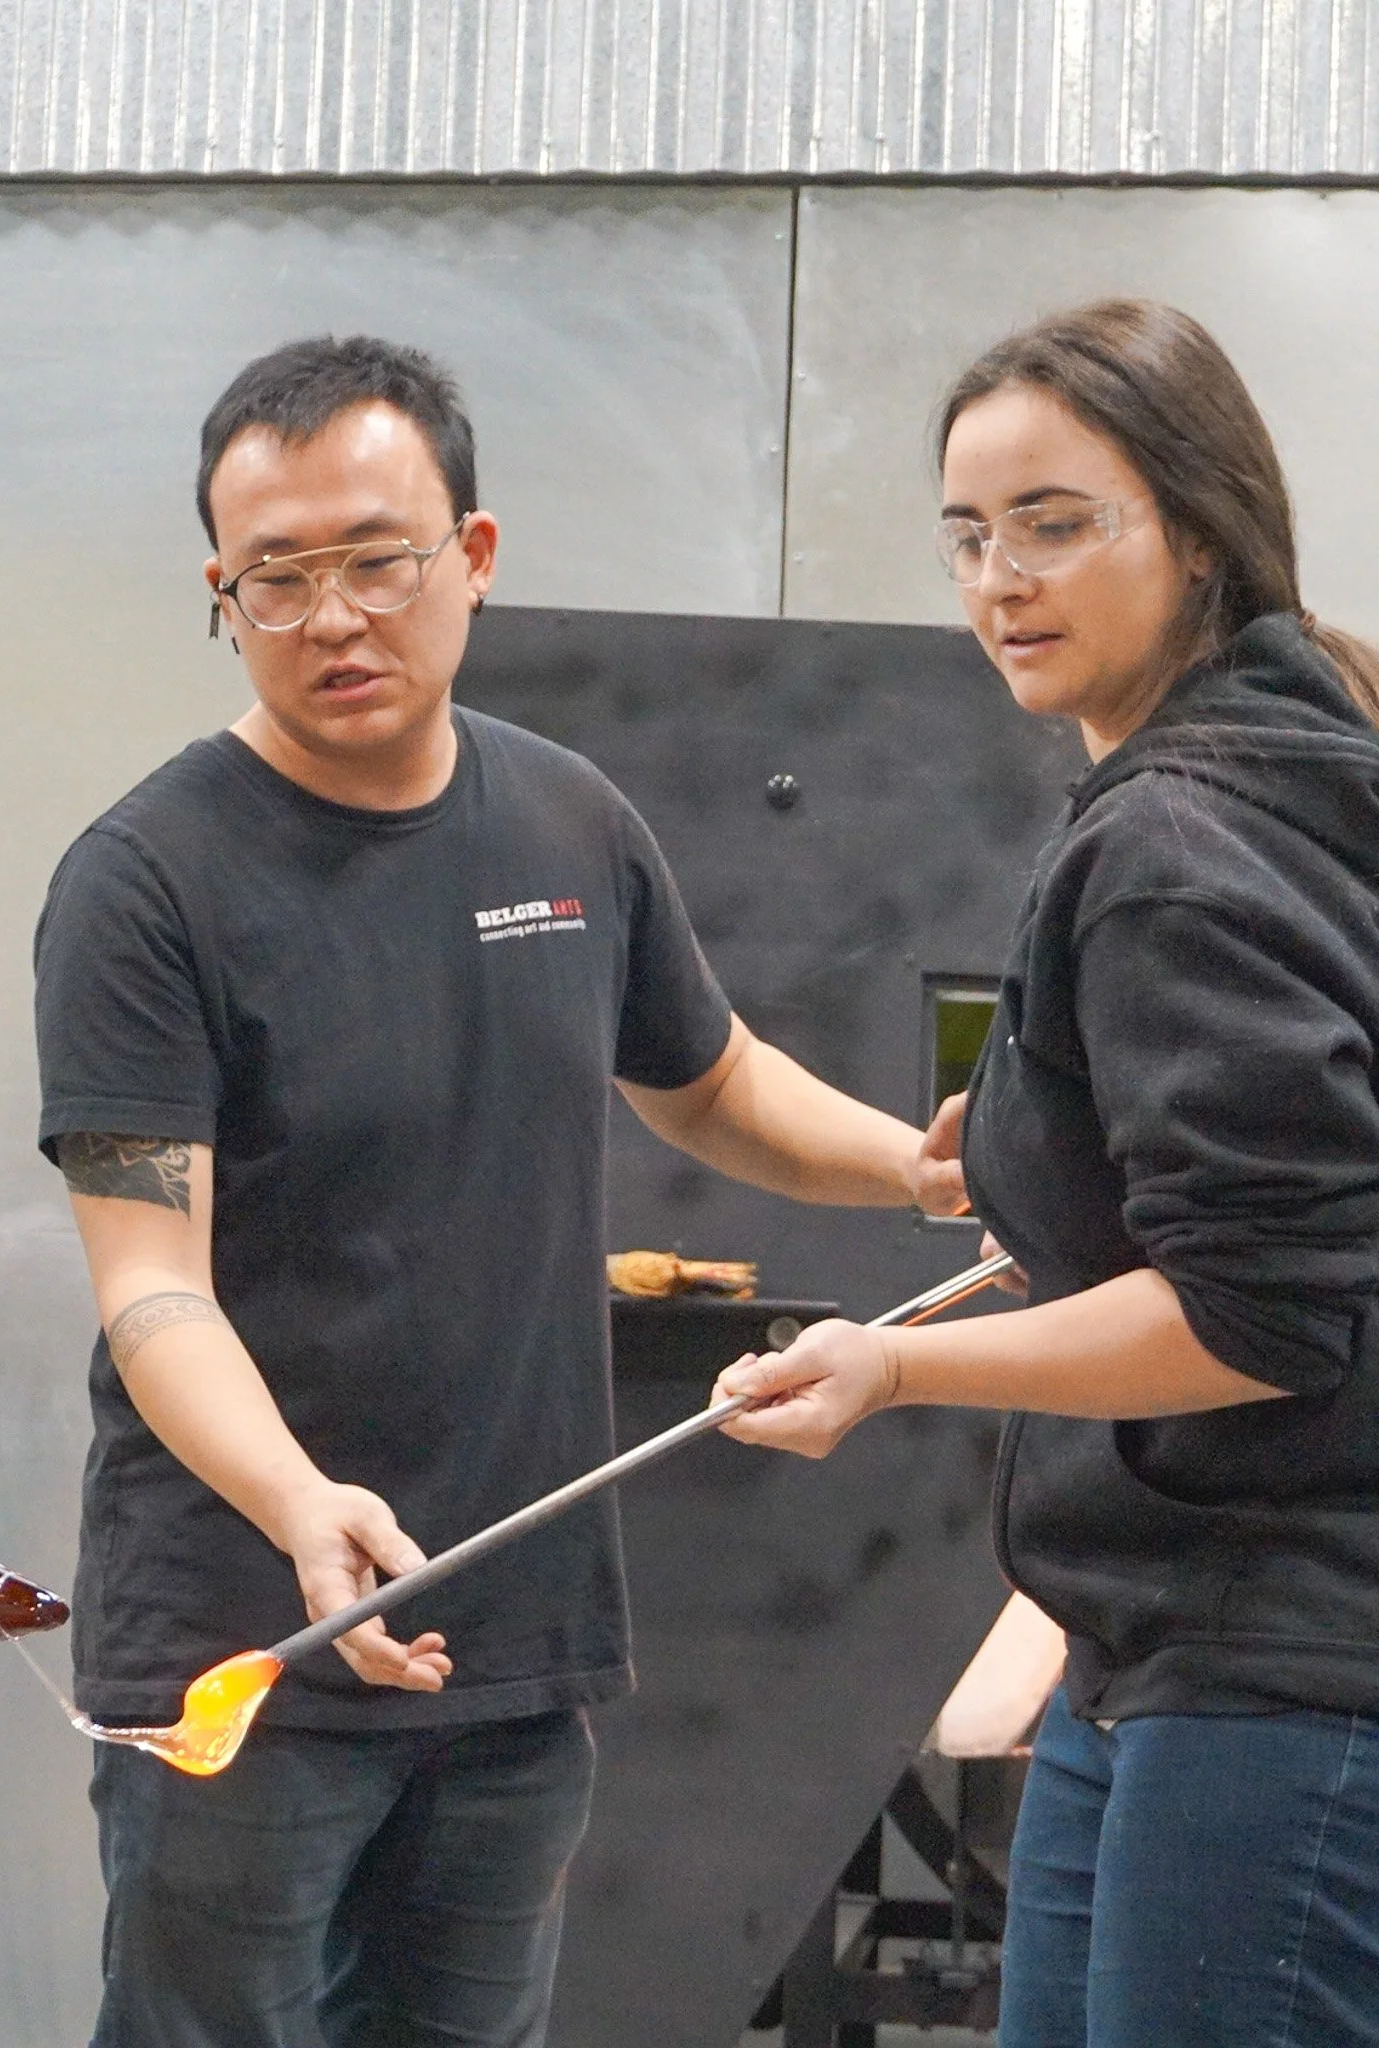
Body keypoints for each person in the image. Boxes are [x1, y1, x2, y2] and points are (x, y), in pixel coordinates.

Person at [32, 334, 964, 2047]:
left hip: (516, 1627)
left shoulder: (568, 822)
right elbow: (152, 1283)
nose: (333, 618)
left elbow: (717, 1082)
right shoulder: (144, 883)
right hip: (251, 1647)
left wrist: (922, 1171)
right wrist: (303, 1505)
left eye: (378, 562)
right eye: (276, 578)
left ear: (471, 555)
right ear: (220, 594)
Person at [715, 300, 1379, 2046]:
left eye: (1057, 523)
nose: (1000, 577)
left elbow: (1262, 1309)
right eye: (969, 536)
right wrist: (1031, 1157)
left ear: (1200, 527)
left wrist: (895, 1364)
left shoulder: (1174, 839)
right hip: (1152, 1648)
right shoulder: (1291, 757)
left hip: (1278, 1660)